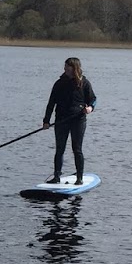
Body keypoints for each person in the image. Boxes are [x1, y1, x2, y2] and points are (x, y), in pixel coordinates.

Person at [41, 57, 96, 185]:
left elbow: (93, 99)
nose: (65, 68)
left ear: (74, 68)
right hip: (61, 120)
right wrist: (46, 121)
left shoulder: (84, 83)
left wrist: (90, 108)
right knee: (59, 149)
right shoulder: (59, 83)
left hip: (78, 120)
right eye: (65, 66)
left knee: (77, 149)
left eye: (67, 66)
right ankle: (56, 176)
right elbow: (51, 103)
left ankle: (79, 178)